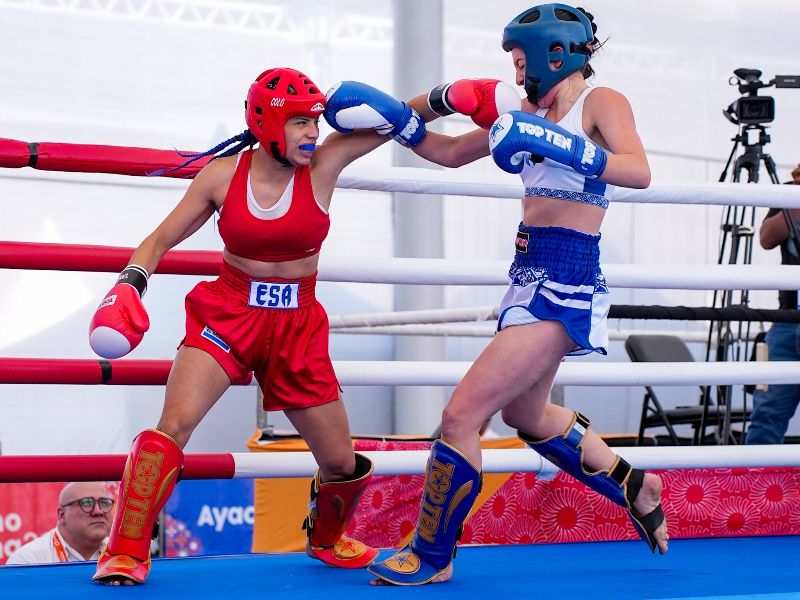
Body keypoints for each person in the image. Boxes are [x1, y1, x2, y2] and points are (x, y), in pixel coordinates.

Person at [322, 3, 669, 585]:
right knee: (525, 413)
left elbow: (638, 170)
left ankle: (432, 557)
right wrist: (399, 120)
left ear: (551, 52)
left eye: (517, 59)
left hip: (566, 276)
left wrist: (565, 147)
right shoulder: (524, 111)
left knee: (461, 414)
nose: (512, 71)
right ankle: (636, 483)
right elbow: (447, 153)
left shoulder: (601, 102)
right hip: (527, 272)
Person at [86, 67, 425, 585]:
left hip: (298, 325)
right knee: (171, 427)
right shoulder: (223, 176)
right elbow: (156, 241)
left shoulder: (325, 161)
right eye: (299, 123)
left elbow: (395, 120)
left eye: (314, 120)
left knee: (339, 462)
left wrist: (446, 98)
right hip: (229, 315)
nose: (313, 132)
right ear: (267, 123)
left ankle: (326, 538)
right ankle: (126, 549)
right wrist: (130, 284)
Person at [745, 164, 800, 444]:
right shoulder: (790, 192)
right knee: (767, 413)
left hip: (787, 323)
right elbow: (767, 237)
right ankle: (756, 484)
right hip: (788, 321)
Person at [5, 482, 114, 565]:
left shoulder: (122, 554)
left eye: (104, 502)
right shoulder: (29, 560)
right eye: (86, 503)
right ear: (62, 515)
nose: (99, 511)